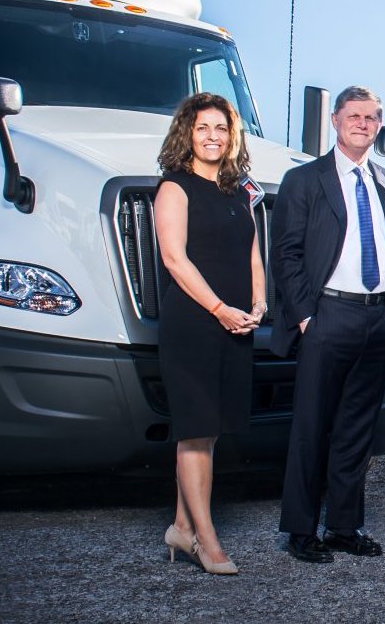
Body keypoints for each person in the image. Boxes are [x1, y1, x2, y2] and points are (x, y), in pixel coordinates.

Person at [268, 86, 385, 564]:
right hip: (327, 315)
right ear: (335, 120)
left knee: (356, 430)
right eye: (354, 116)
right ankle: (301, 531)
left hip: (377, 317)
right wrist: (306, 316)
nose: (362, 124)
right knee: (312, 426)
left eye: (370, 117)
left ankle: (344, 526)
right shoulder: (304, 180)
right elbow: (285, 254)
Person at [151, 92, 261, 576]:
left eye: (220, 128)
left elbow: (253, 253)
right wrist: (219, 308)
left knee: (207, 432)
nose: (212, 136)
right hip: (194, 323)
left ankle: (180, 526)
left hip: (236, 323)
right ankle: (206, 541)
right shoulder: (174, 188)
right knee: (194, 431)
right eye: (202, 128)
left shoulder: (240, 192)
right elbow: (175, 259)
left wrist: (259, 304)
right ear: (187, 135)